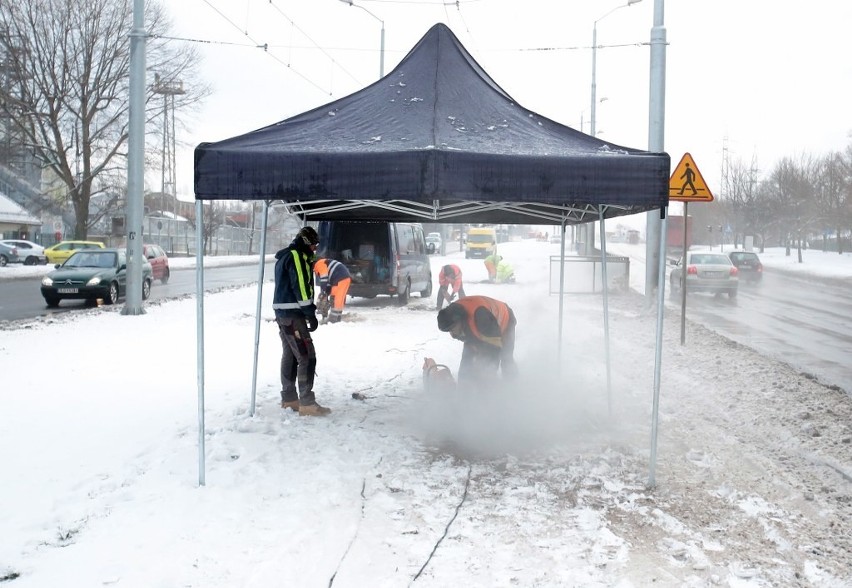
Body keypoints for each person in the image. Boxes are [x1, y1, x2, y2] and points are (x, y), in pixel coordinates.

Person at [272, 226, 331, 416]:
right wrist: (310, 313)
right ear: (306, 243)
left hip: (284, 314)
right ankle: (306, 402)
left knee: (290, 354)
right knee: (306, 355)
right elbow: (301, 289)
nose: (315, 249)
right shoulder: (296, 257)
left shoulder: (288, 256)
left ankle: (289, 399)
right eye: (314, 245)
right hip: (293, 315)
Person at [436, 295, 518, 386]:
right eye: (448, 330)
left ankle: (512, 385)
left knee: (506, 356)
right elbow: (469, 352)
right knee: (472, 358)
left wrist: (489, 376)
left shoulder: (481, 317)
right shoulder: (453, 319)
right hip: (481, 326)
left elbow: (494, 348)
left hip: (505, 319)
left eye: (452, 328)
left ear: (460, 321)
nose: (452, 332)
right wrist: (463, 380)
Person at [313, 257, 352, 323]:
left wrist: (323, 292)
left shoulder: (319, 264)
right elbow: (327, 282)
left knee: (335, 299)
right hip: (344, 278)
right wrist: (326, 293)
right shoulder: (325, 263)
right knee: (339, 300)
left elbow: (324, 278)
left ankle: (333, 319)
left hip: (339, 278)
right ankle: (338, 317)